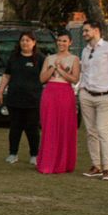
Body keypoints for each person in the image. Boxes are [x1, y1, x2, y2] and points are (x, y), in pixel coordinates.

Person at [0, 31, 45, 165]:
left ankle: (34, 155)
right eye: (23, 40)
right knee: (15, 128)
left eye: (28, 40)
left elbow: (47, 76)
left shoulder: (40, 58)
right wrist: (0, 92)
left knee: (32, 129)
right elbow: (6, 76)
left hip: (33, 100)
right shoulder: (14, 57)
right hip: (15, 99)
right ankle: (13, 153)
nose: (25, 43)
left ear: (34, 42)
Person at [37, 30, 80, 173]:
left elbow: (75, 79)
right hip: (50, 93)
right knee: (49, 126)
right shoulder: (49, 58)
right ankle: (48, 162)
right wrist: (53, 67)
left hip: (65, 94)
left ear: (70, 43)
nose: (61, 43)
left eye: (64, 41)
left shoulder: (74, 59)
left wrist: (61, 70)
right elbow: (42, 79)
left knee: (64, 126)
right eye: (59, 40)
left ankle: (64, 162)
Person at [79, 20, 108, 181]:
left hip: (104, 96)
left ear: (96, 30)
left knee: (102, 130)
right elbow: (84, 73)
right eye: (83, 31)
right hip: (86, 95)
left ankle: (107, 168)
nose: (84, 33)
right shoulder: (85, 50)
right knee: (91, 132)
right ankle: (96, 166)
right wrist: (80, 89)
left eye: (86, 30)